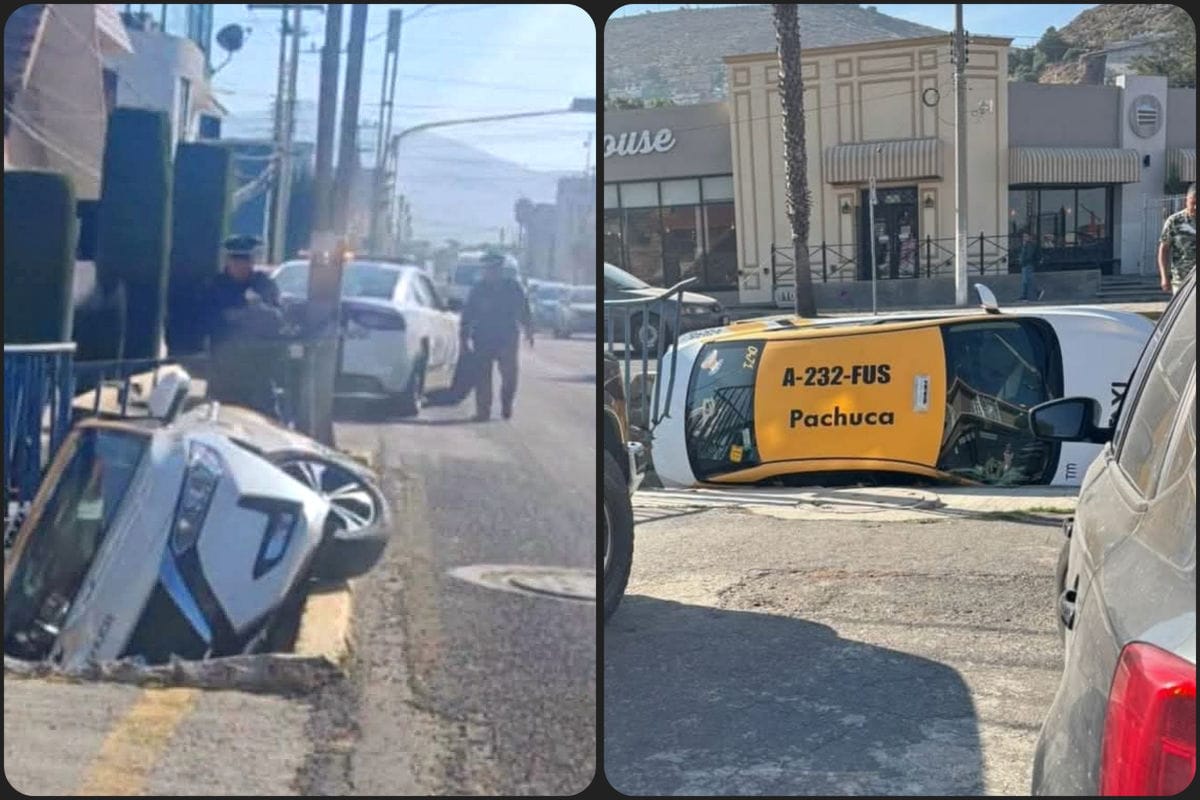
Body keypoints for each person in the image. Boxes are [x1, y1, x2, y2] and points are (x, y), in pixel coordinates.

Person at [202, 235, 287, 413]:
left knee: (268, 420)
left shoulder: (263, 284)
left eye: (246, 260)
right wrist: (240, 316)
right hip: (225, 370)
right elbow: (209, 320)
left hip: (258, 368)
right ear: (228, 261)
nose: (241, 265)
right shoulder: (216, 286)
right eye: (236, 260)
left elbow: (277, 319)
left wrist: (257, 309)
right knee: (220, 417)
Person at [460, 252, 533, 421]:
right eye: (487, 269)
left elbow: (524, 309)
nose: (491, 272)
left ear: (500, 269)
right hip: (483, 338)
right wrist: (463, 339)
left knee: (509, 376)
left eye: (494, 269)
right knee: (482, 376)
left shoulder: (513, 287)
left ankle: (506, 403)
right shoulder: (478, 289)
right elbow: (467, 316)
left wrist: (529, 329)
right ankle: (483, 411)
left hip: (507, 338)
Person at [1158, 183, 1196, 295]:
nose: (1195, 207)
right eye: (1193, 203)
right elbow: (1163, 250)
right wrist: (1164, 277)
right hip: (1181, 280)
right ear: (1186, 200)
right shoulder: (1174, 221)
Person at [1017, 231, 1045, 302]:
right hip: (1026, 264)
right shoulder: (1026, 245)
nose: (1024, 238)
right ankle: (1025, 296)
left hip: (1028, 264)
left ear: (1029, 237)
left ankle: (1033, 293)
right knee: (1026, 281)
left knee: (1027, 280)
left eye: (1026, 236)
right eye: (1023, 237)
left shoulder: (1030, 245)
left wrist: (1022, 260)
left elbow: (1029, 255)